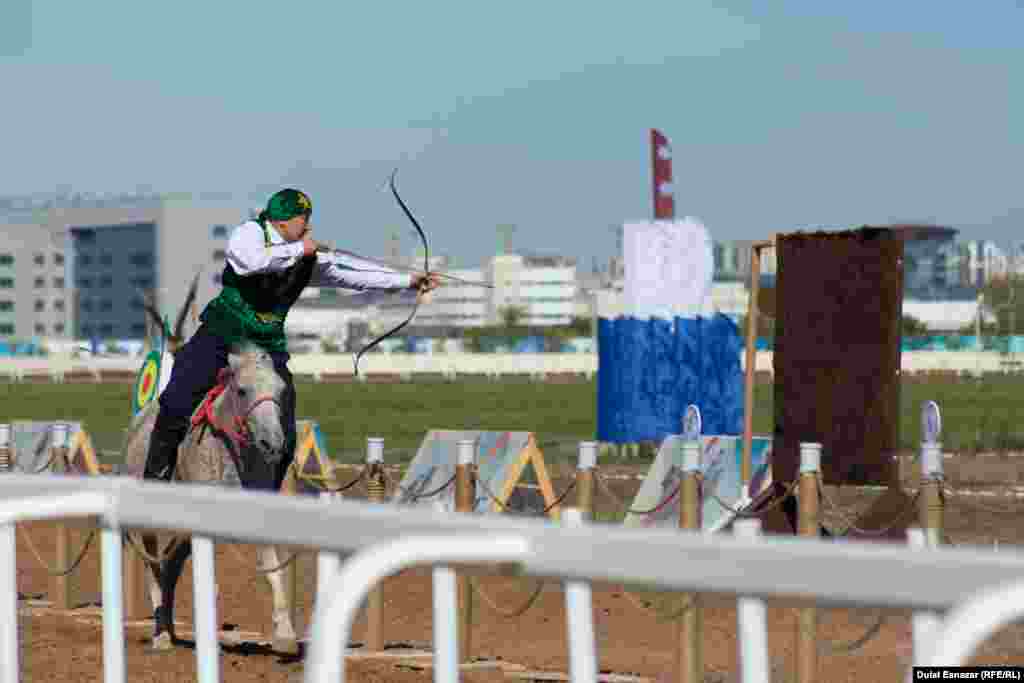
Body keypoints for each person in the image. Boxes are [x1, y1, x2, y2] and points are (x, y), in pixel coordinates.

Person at [143, 188, 439, 489]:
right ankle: (154, 481)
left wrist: (408, 280)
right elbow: (252, 262)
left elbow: (351, 275)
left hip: (267, 345)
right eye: (303, 219)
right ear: (283, 221)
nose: (308, 226)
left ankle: (264, 492)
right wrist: (299, 250)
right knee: (176, 402)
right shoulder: (251, 234)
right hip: (221, 334)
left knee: (284, 427)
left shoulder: (305, 255)